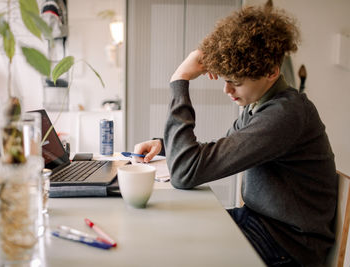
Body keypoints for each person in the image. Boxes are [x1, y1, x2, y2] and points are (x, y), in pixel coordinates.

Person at [134, 5, 337, 267]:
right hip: (260, 224)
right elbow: (217, 152)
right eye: (225, 80)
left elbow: (186, 173)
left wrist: (180, 79)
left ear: (271, 72)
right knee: (170, 230)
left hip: (289, 246)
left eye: (236, 82)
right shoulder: (260, 104)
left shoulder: (285, 115)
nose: (226, 90)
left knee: (173, 250)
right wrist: (165, 147)